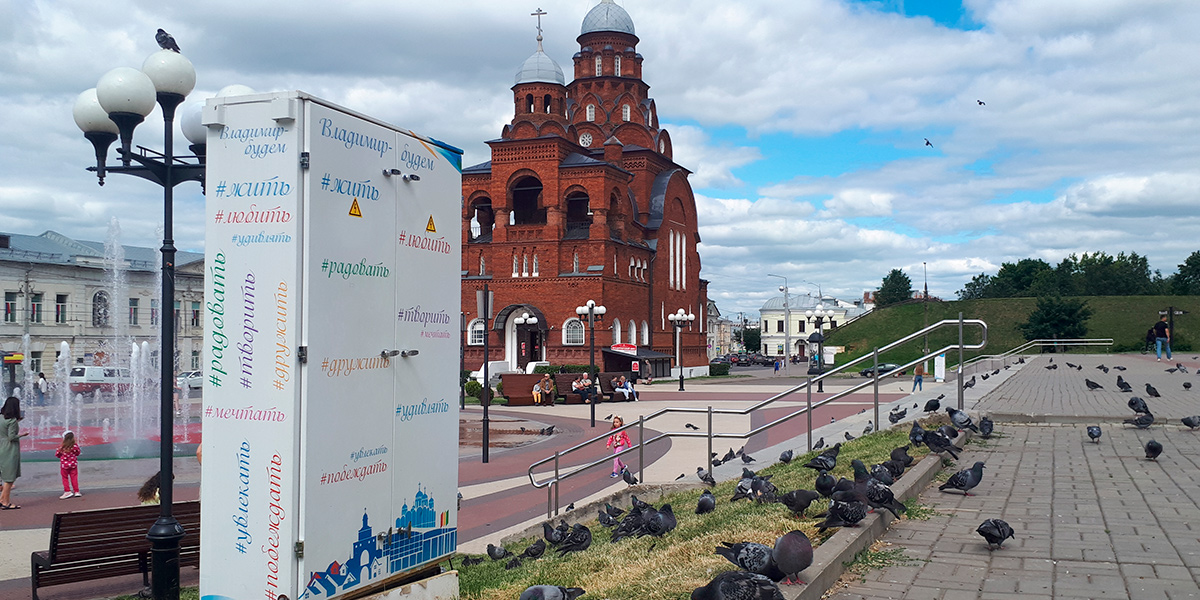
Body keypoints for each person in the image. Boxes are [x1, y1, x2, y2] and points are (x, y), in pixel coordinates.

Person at [1, 396, 30, 509]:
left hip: (1, 447)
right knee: (10, 478)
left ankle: (2, 499)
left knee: (6, 476)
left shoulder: (1, 418)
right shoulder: (12, 421)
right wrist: (22, 435)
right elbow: (12, 437)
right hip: (9, 449)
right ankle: (6, 502)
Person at [56, 430, 82, 499]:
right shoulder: (75, 446)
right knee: (74, 478)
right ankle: (77, 491)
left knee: (65, 478)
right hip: (73, 465)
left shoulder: (62, 447)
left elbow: (57, 454)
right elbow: (78, 453)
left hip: (64, 465)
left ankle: (67, 491)